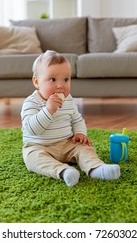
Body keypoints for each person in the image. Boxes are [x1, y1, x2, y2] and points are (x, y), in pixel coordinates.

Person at [21, 50, 120, 187]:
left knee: (84, 147)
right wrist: (48, 110)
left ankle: (96, 168)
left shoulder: (68, 100)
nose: (60, 85)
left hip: (66, 143)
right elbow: (32, 129)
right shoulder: (31, 102)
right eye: (52, 79)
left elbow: (76, 119)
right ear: (36, 82)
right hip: (40, 146)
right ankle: (64, 171)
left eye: (66, 79)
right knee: (32, 159)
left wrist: (80, 133)